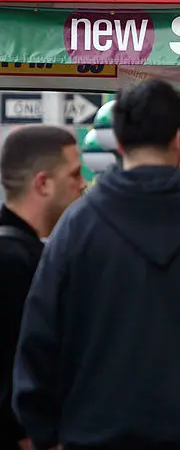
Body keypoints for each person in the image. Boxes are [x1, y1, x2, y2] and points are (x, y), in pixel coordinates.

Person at [13, 79, 180, 450]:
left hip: (95, 434)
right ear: (178, 138)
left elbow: (40, 339)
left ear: (119, 143)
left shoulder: (78, 227)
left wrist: (45, 429)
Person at [0, 126, 85, 450]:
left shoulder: (23, 255)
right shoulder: (15, 264)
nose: (82, 184)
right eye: (74, 174)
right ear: (43, 183)